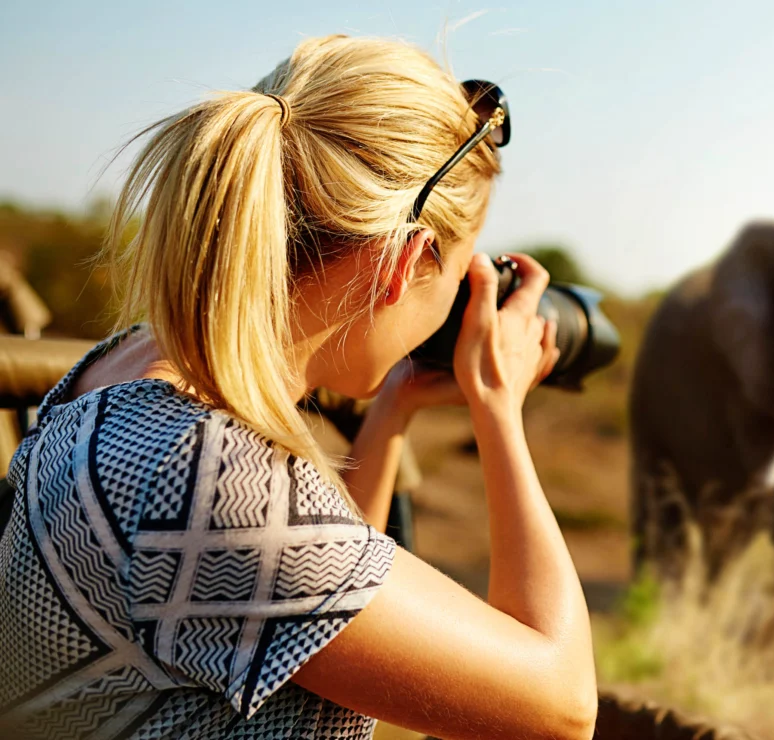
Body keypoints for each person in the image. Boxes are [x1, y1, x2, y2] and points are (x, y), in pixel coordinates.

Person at [0, 34, 597, 740]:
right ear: (405, 264)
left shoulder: (127, 363)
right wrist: (498, 407)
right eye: (463, 270)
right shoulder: (207, 477)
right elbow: (558, 706)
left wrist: (393, 408)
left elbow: (317, 589)